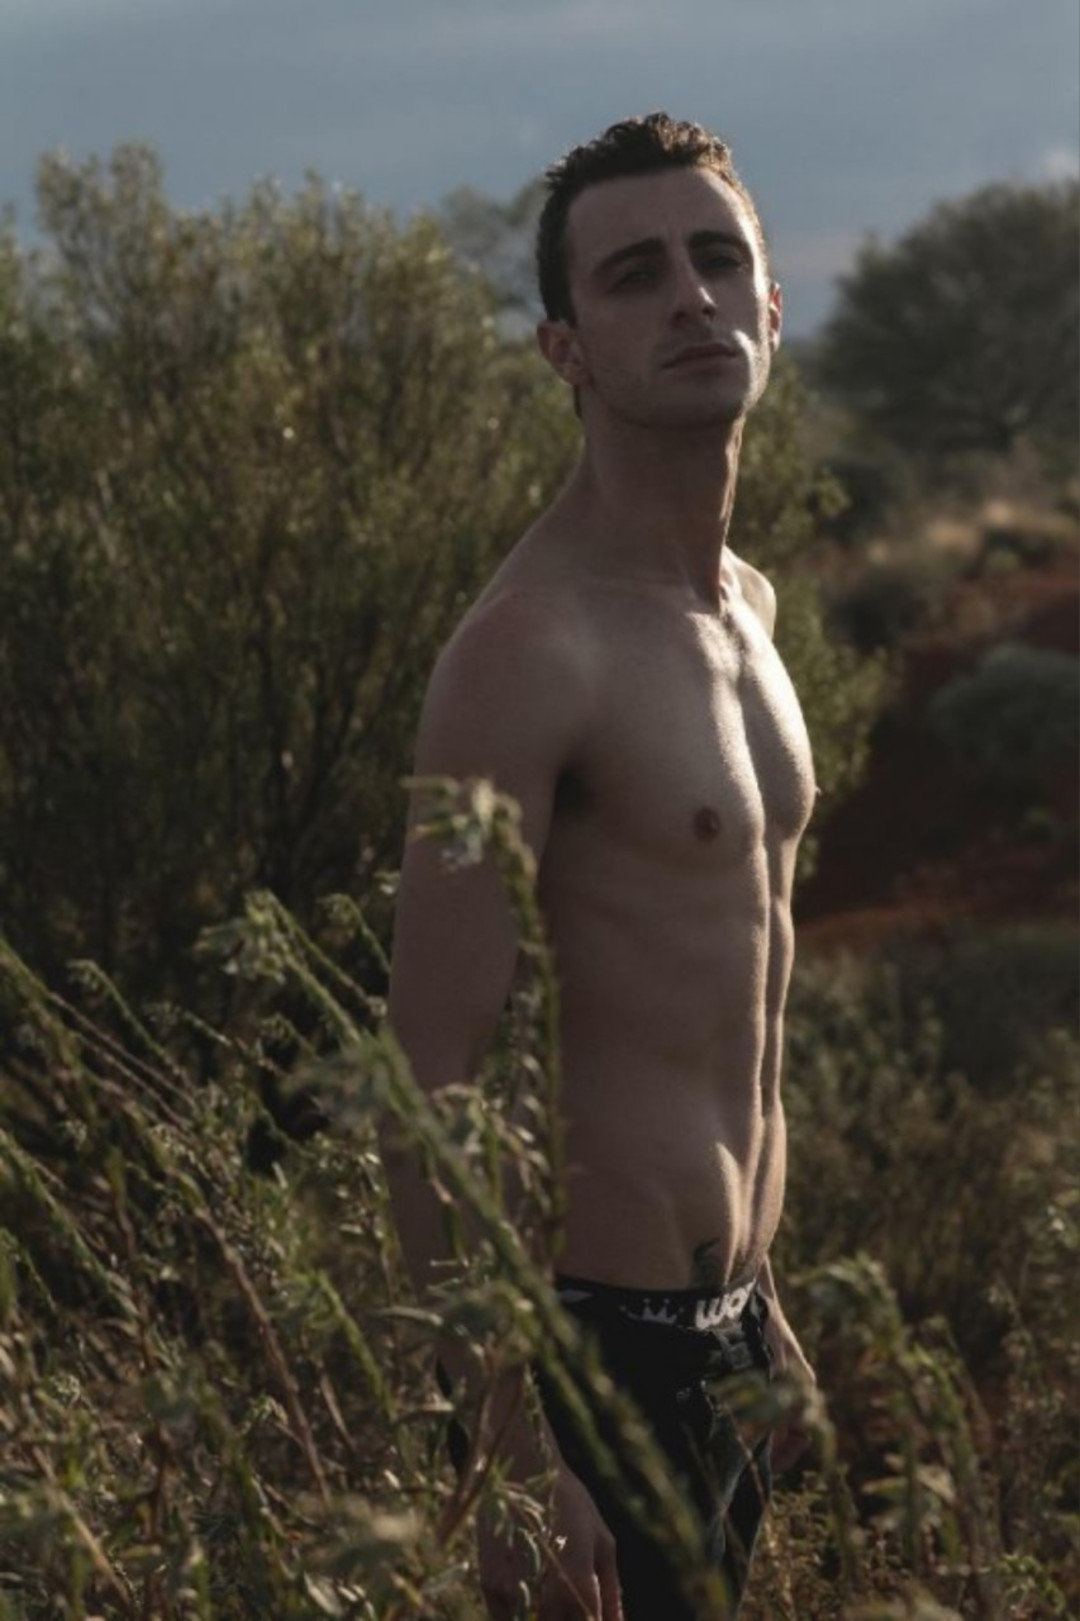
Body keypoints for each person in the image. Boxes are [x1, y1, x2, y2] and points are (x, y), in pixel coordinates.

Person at [383, 111, 817, 1620]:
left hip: (725, 1342)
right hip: (582, 1359)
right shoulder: (530, 649)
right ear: (564, 349)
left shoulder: (749, 610)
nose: (691, 298)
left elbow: (723, 1000)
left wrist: (762, 1304)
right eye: (635, 276)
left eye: (717, 260)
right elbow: (429, 1073)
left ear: (774, 304)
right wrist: (509, 1445)